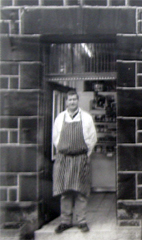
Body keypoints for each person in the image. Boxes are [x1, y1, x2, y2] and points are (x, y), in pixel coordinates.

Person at [52, 90, 97, 234]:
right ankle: (65, 221)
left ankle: (81, 221)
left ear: (78, 101)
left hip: (80, 159)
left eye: (74, 100)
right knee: (65, 192)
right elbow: (56, 138)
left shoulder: (87, 118)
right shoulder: (60, 118)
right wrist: (65, 150)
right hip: (64, 159)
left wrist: (84, 154)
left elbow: (92, 139)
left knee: (80, 191)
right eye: (69, 100)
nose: (72, 102)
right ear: (66, 102)